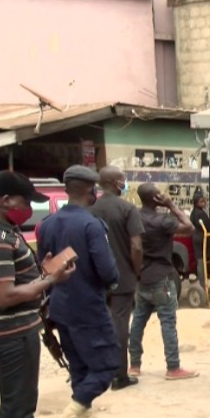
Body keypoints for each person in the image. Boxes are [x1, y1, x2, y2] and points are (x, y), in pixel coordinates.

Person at [0, 170, 75, 418]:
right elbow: (5, 296)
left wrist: (40, 272)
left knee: (14, 405)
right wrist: (51, 281)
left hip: (8, 329)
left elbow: (13, 279)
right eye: (25, 201)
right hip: (10, 333)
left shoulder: (0, 229)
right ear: (5, 200)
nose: (29, 208)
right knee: (20, 407)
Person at [37, 165, 120, 418]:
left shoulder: (47, 224)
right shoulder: (91, 225)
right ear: (91, 191)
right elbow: (108, 272)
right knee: (106, 366)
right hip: (89, 307)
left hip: (59, 307)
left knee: (80, 369)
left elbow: (44, 266)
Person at [128, 182, 199, 380]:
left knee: (138, 321)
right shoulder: (162, 221)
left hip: (142, 277)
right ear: (156, 199)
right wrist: (171, 205)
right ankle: (173, 367)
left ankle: (134, 364)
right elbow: (189, 227)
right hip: (162, 278)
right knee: (167, 322)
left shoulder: (134, 218)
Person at [88, 165, 144, 391]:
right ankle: (119, 375)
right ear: (115, 183)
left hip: (95, 278)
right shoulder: (127, 209)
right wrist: (136, 270)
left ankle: (98, 370)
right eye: (123, 180)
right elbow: (137, 246)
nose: (125, 183)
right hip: (122, 276)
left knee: (99, 323)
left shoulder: (90, 210)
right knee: (120, 323)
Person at [190, 190, 210, 288]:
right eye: (201, 201)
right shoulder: (199, 213)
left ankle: (203, 282)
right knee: (201, 262)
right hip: (201, 240)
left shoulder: (195, 212)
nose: (204, 203)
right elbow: (208, 226)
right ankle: (202, 284)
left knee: (201, 261)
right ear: (196, 203)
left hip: (198, 238)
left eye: (204, 201)